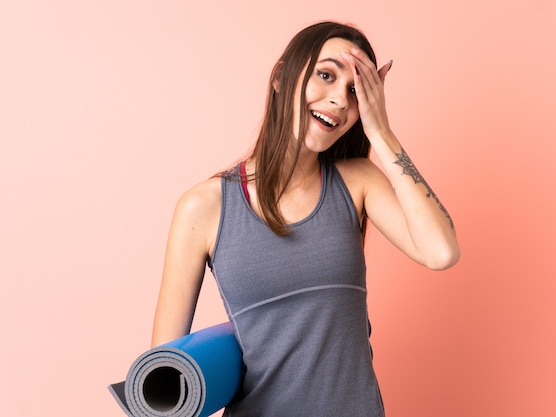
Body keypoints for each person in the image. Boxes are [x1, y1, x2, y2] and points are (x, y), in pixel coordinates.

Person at [151, 21, 460, 416]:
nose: (339, 100)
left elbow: (441, 251)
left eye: (354, 91)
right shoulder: (204, 206)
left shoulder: (358, 182)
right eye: (326, 75)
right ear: (281, 77)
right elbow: (163, 373)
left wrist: (381, 132)